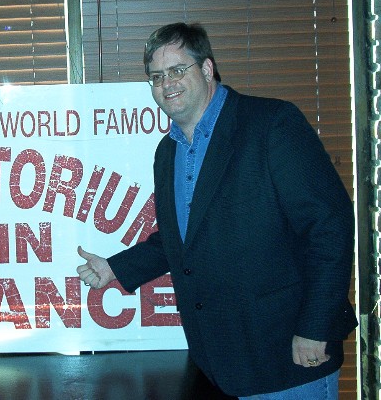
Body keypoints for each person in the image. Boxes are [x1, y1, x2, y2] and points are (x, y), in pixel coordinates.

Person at [77, 22, 357, 399]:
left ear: (207, 69)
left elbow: (330, 227)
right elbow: (183, 240)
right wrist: (115, 268)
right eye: (156, 76)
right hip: (219, 364)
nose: (166, 83)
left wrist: (315, 327)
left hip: (290, 357)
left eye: (178, 70)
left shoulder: (271, 124)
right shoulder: (168, 152)